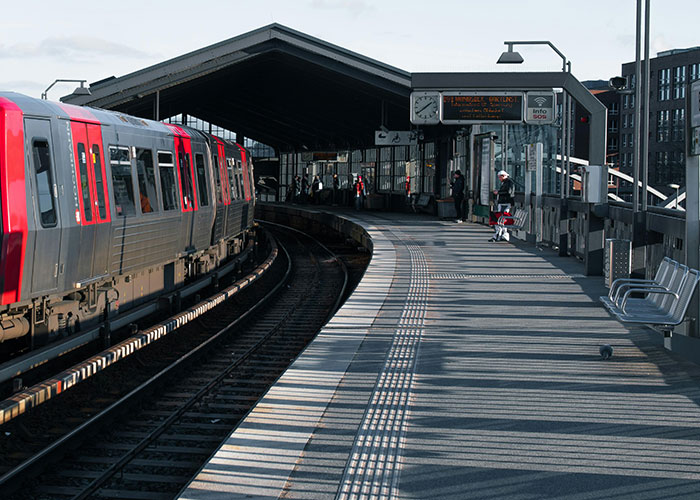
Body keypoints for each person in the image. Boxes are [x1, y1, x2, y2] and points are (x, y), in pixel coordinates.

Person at [490, 170, 515, 242]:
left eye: (499, 177)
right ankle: (502, 234)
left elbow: (509, 192)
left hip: (505, 202)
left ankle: (499, 234)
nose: (499, 179)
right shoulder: (507, 182)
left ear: (503, 176)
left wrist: (498, 192)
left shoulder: (508, 183)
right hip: (505, 202)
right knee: (502, 218)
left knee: (501, 218)